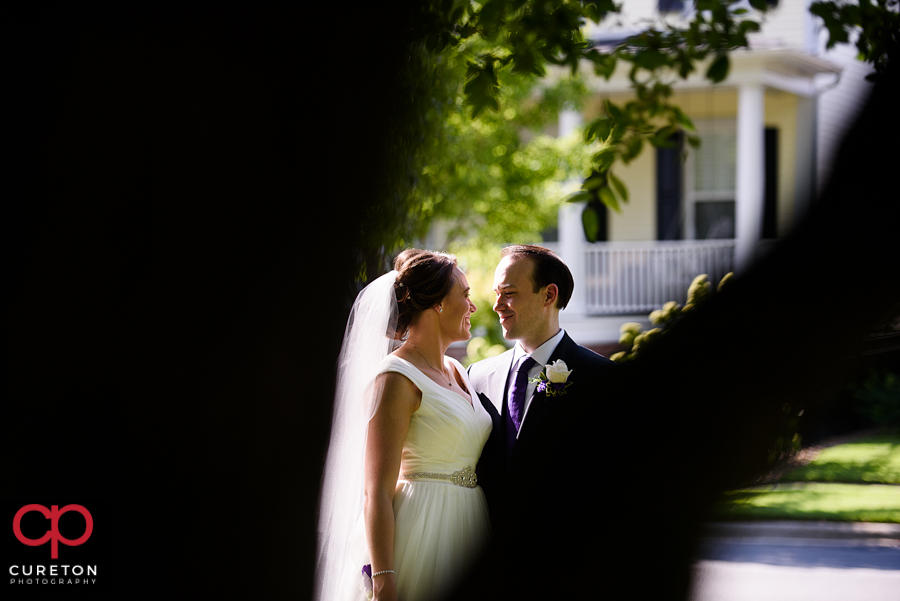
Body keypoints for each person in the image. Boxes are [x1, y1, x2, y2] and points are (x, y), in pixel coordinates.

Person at [315, 249, 491, 601]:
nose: (472, 307)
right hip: (422, 525)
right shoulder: (396, 378)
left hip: (469, 521)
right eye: (465, 295)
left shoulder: (458, 371)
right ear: (439, 304)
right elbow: (375, 490)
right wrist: (383, 578)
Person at [468, 244, 618, 528]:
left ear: (549, 294)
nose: (497, 305)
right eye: (496, 294)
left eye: (509, 293)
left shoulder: (603, 380)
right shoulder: (477, 377)